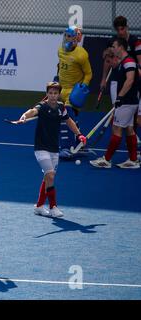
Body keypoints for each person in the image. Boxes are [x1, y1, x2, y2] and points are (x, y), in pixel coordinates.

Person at [17, 82, 86, 218]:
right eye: (50, 93)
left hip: (54, 148)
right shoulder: (42, 106)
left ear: (58, 94)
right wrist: (24, 116)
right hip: (41, 147)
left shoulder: (61, 107)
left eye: (55, 93)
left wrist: (79, 134)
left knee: (48, 177)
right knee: (50, 175)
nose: (53, 96)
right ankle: (53, 207)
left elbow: (69, 121)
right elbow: (32, 111)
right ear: (47, 94)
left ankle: (38, 206)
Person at [90, 38, 140, 169]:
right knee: (129, 130)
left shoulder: (129, 62)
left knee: (116, 129)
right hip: (128, 101)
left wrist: (120, 97)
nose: (113, 48)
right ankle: (133, 160)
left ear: (121, 47)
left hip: (127, 102)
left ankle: (106, 160)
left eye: (114, 46)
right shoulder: (122, 62)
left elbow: (130, 80)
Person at [56, 26, 92, 158]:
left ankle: (66, 148)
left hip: (73, 90)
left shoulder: (81, 54)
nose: (66, 38)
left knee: (66, 117)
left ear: (75, 38)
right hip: (62, 89)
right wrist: (57, 79)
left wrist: (82, 88)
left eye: (69, 36)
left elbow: (88, 74)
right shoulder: (60, 50)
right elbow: (60, 66)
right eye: (65, 35)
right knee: (72, 120)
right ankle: (81, 144)